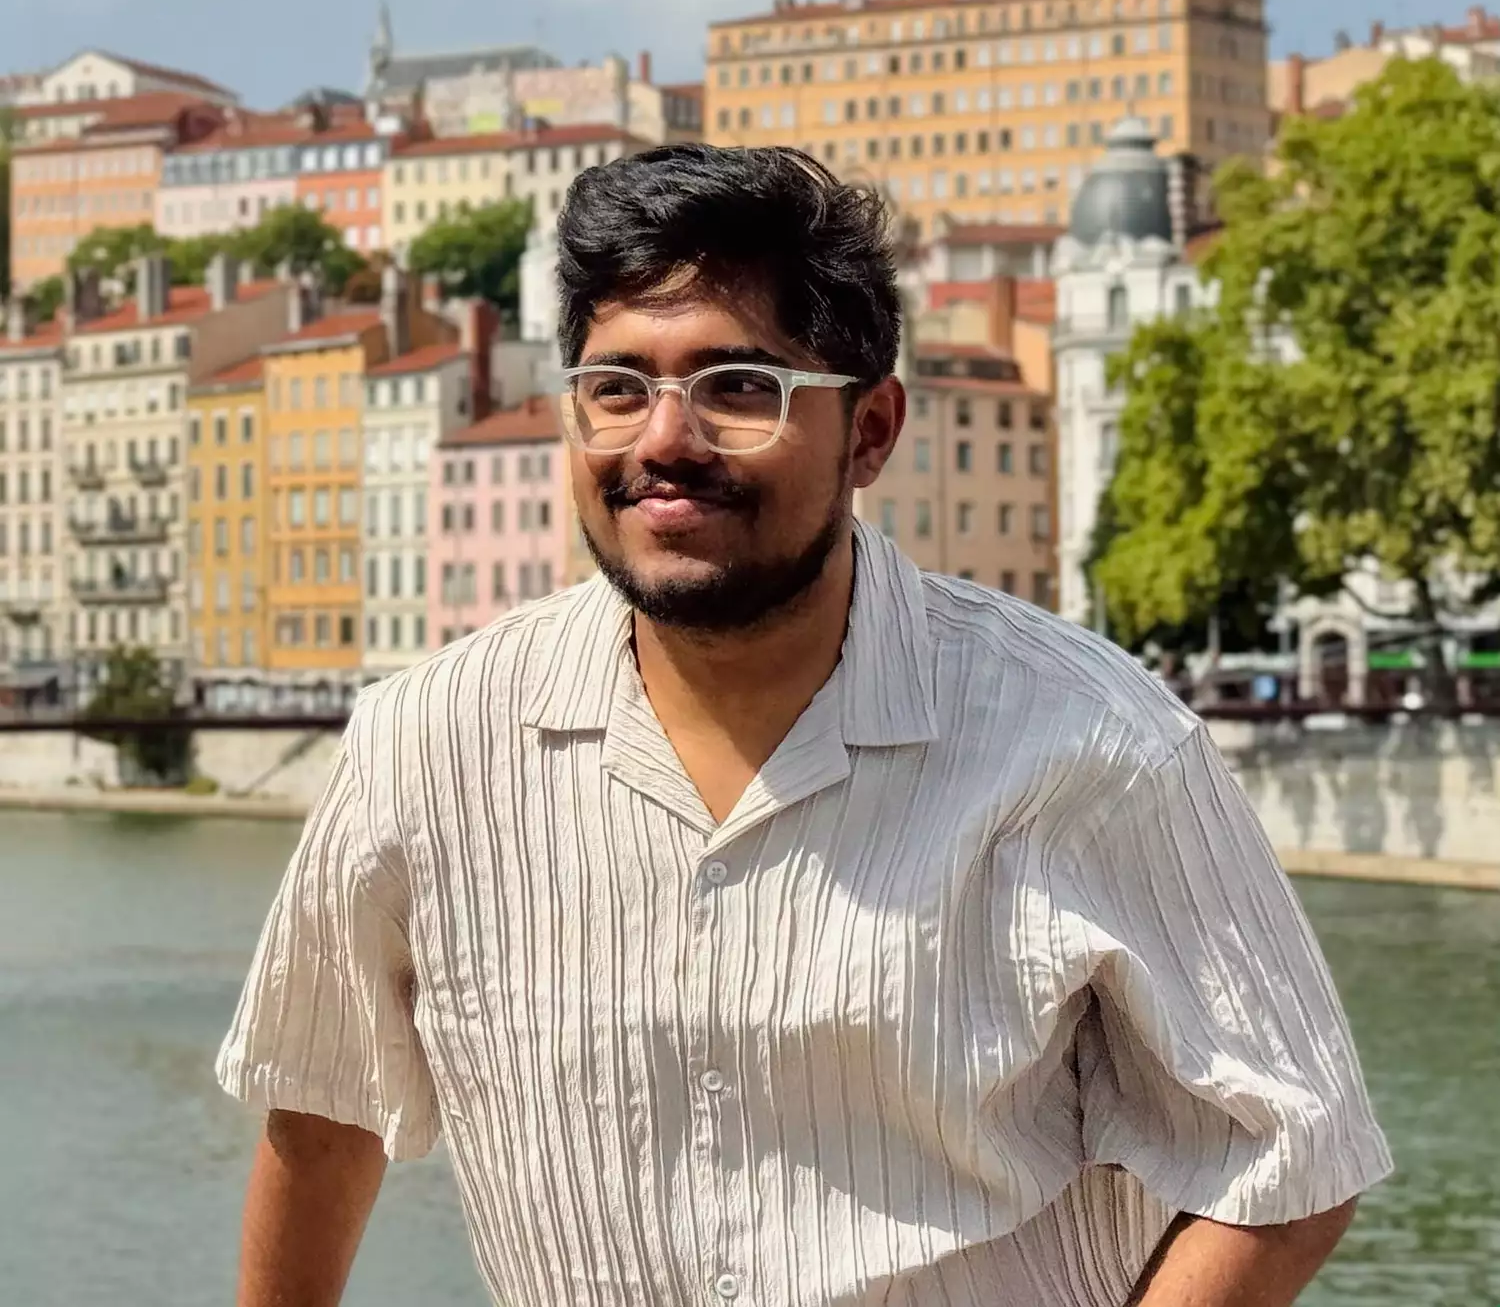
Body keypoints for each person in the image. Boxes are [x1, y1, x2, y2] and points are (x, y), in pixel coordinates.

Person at [218, 145, 1391, 1307]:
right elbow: (323, 1112)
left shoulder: (1096, 743)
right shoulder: (423, 743)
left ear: (871, 430)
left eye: (739, 389)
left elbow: (1292, 1151)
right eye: (616, 388)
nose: (663, 442)